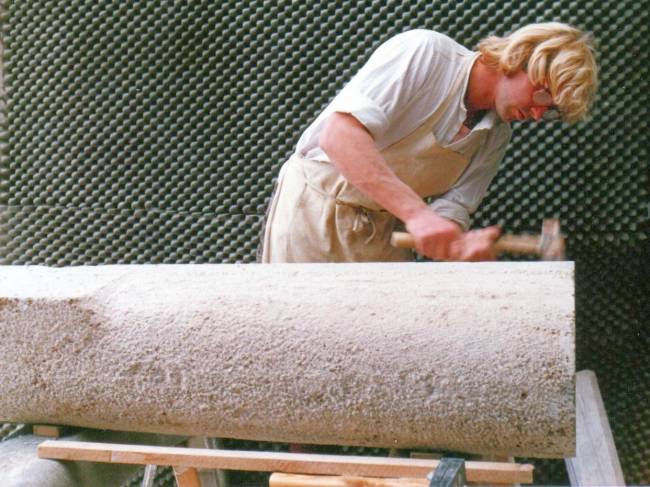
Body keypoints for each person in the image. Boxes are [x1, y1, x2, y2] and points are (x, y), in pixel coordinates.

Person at [259, 22, 597, 263]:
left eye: (550, 111)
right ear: (521, 58)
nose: (538, 114)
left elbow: (453, 208)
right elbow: (341, 136)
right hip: (314, 213)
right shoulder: (426, 53)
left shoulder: (496, 134)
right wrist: (418, 216)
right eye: (542, 95)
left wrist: (457, 246)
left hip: (385, 235)